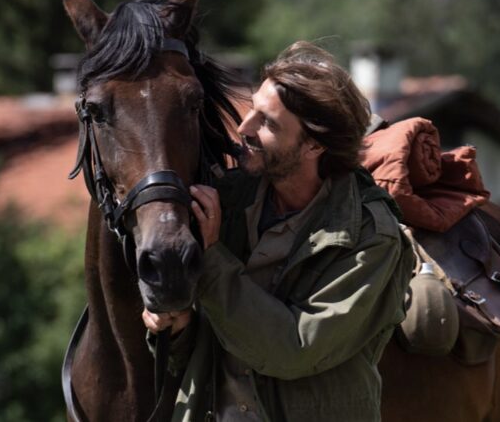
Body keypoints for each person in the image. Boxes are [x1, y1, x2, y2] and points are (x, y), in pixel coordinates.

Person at [142, 41, 411, 422]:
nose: (244, 128)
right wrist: (178, 327)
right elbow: (208, 349)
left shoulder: (370, 237)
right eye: (252, 109)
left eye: (267, 123)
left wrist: (213, 260)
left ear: (314, 144)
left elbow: (294, 349)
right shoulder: (226, 202)